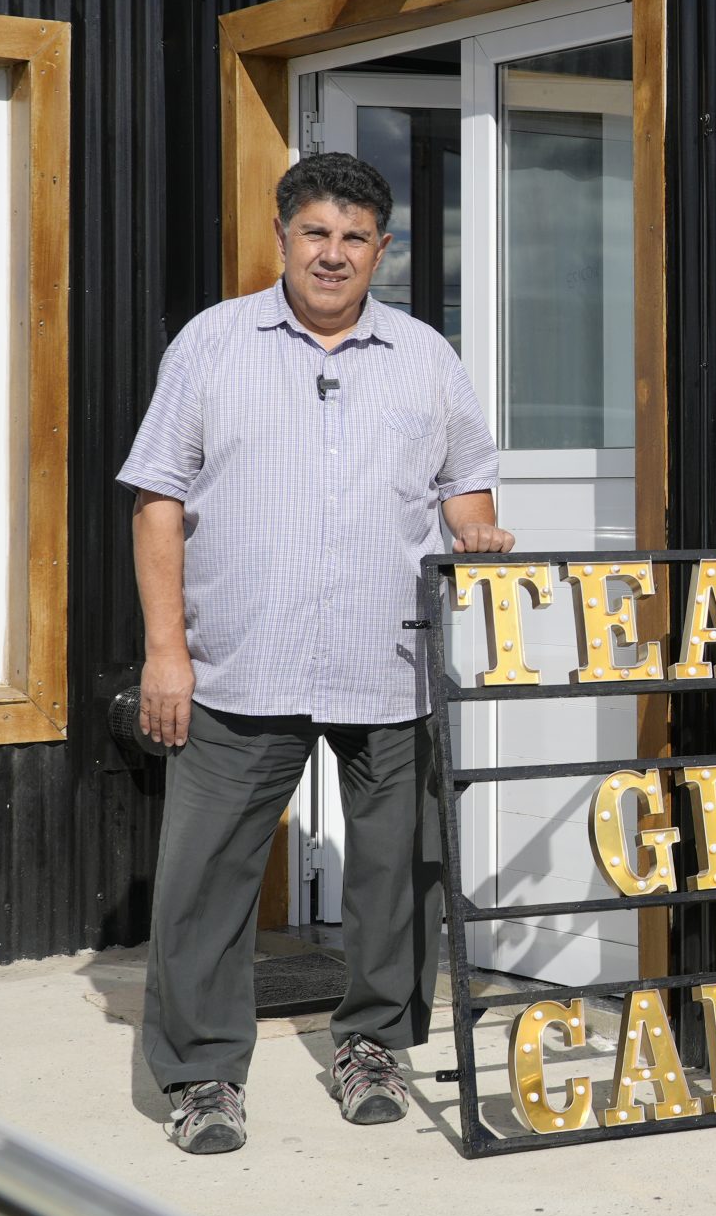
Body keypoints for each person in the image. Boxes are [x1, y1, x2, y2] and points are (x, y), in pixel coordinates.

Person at [117, 150, 514, 1155]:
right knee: (204, 877)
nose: (332, 254)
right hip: (242, 663)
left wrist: (478, 531)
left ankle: (374, 1045)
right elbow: (157, 502)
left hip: (389, 662)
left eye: (353, 238)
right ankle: (202, 1074)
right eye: (314, 234)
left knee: (396, 872)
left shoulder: (426, 356)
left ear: (382, 249)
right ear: (283, 238)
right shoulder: (212, 346)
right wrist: (168, 655)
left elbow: (465, 487)